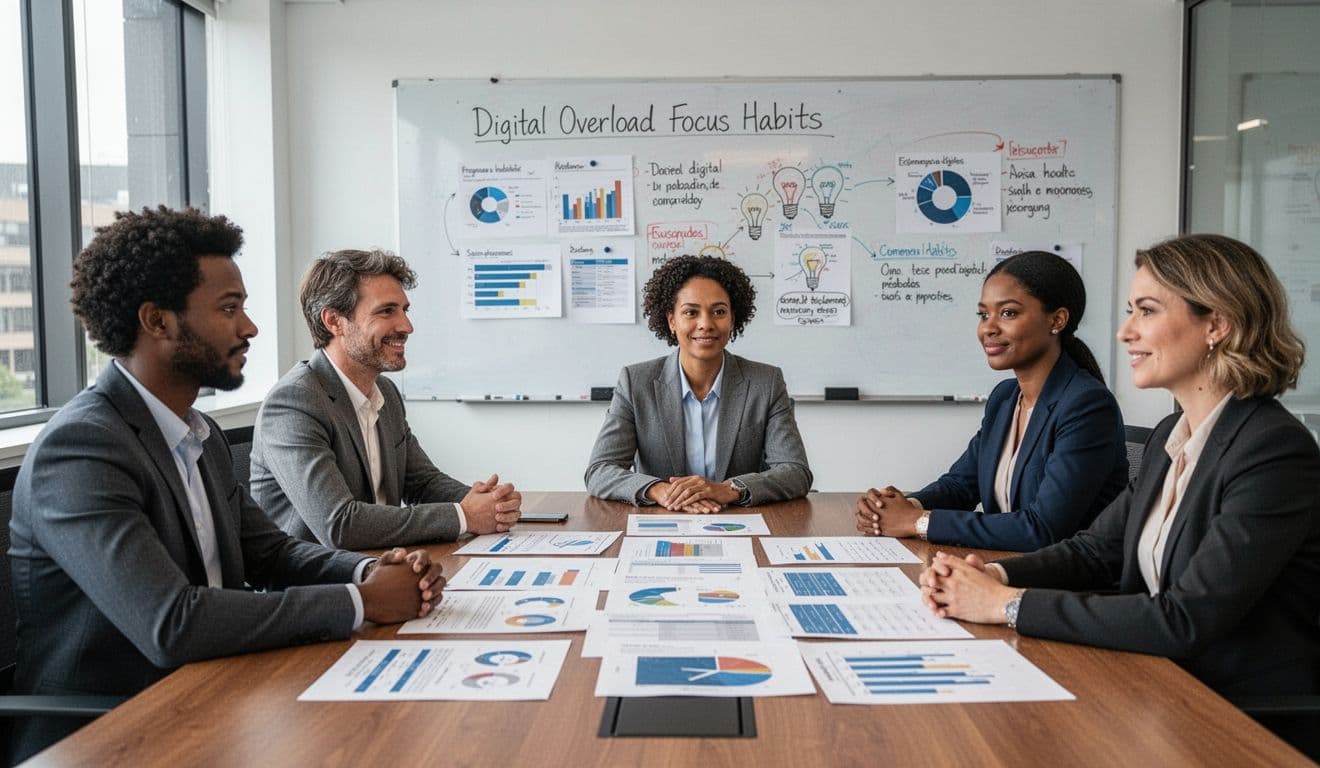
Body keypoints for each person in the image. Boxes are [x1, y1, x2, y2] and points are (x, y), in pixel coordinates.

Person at [7, 208, 445, 763]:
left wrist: (369, 570)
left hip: (221, 690)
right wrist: (360, 601)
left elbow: (270, 552)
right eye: (229, 309)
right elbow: (173, 621)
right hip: (117, 729)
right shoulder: (82, 450)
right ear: (157, 321)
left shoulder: (199, 432)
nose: (250, 327)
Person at [921, 234, 1320, 762]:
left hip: (1231, 719)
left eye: (1147, 311)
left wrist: (1005, 606)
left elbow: (1184, 619)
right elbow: (1094, 551)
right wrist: (992, 576)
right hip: (1150, 686)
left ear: (1217, 324)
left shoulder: (1273, 450)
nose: (1125, 331)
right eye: (1129, 311)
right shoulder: (1171, 435)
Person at [251, 249, 521, 550]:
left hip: (384, 566)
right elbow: (340, 524)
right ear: (334, 321)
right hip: (320, 586)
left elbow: (421, 483)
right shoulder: (294, 403)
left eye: (405, 310)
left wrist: (490, 504)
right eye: (387, 311)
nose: (406, 326)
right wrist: (464, 516)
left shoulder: (386, 393)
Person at [856, 251, 1127, 551]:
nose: (988, 328)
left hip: (1063, 587)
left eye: (1008, 313)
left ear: (1057, 320)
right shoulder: (1005, 399)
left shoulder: (1086, 405)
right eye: (984, 314)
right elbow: (962, 485)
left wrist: (917, 522)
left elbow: (1043, 529)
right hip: (1002, 566)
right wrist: (900, 506)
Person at [585, 254, 812, 511]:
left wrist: (729, 489)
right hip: (661, 523)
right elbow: (600, 471)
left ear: (733, 319)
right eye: (691, 312)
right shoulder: (636, 382)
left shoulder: (766, 382)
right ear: (672, 320)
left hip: (739, 524)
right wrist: (661, 490)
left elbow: (795, 472)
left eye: (718, 312)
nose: (705, 324)